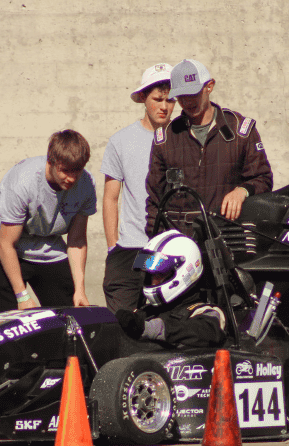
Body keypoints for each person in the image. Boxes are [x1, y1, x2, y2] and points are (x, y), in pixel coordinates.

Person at [145, 59, 273, 237]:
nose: (187, 101)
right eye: (181, 96)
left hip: (228, 241)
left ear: (209, 86)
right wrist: (158, 240)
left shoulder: (241, 130)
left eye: (193, 93)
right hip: (181, 245)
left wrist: (243, 191)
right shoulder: (165, 139)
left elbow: (263, 178)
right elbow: (154, 200)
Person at [0, 130, 96, 313]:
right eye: (65, 171)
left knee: (68, 317)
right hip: (8, 247)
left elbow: (76, 240)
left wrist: (80, 290)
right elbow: (6, 244)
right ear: (50, 162)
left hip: (49, 245)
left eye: (77, 170)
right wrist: (22, 296)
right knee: (8, 324)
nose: (71, 178)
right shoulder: (22, 182)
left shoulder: (85, 184)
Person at [101, 63, 176, 312]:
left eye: (171, 100)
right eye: (158, 99)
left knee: (165, 325)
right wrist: (113, 246)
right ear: (144, 97)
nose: (164, 107)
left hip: (170, 248)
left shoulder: (183, 140)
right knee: (122, 322)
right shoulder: (120, 141)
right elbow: (111, 198)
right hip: (131, 250)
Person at [115, 229, 227, 349]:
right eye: (150, 275)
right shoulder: (148, 312)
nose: (153, 281)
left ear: (184, 272)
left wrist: (150, 329)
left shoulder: (207, 312)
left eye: (158, 275)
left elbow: (207, 334)